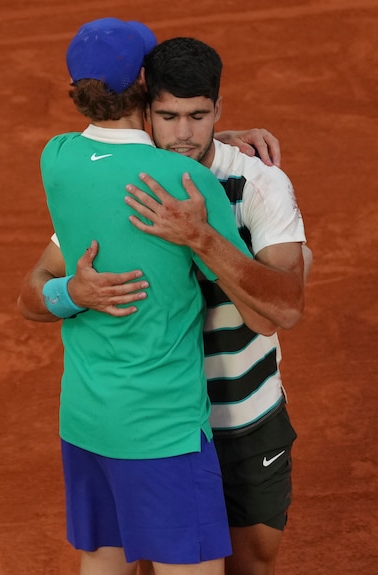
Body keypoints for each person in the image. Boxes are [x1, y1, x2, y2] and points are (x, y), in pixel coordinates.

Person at [19, 36, 310, 575]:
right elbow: (35, 291)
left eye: (198, 117)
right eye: (169, 116)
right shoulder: (126, 182)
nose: (183, 134)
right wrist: (72, 292)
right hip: (165, 429)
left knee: (251, 564)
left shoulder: (259, 183)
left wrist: (201, 236)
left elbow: (281, 313)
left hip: (242, 419)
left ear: (218, 110)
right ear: (144, 108)